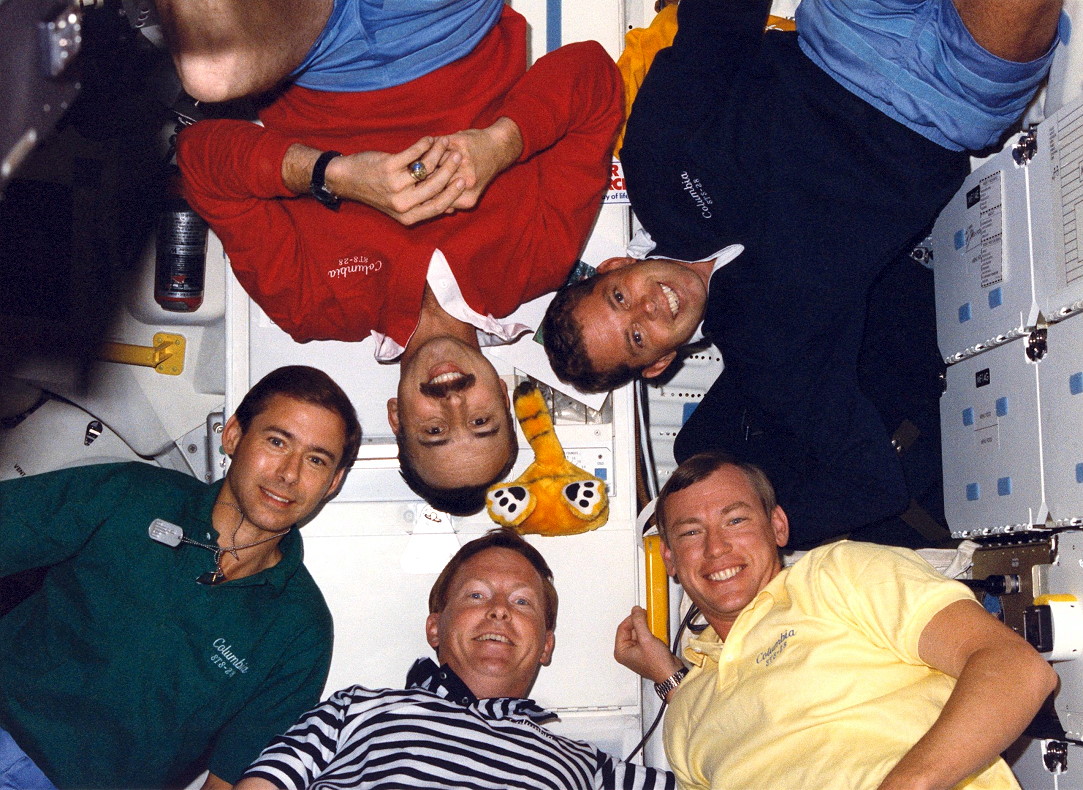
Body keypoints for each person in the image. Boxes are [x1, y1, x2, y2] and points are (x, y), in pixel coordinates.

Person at [541, 0, 1065, 545]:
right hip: (944, 104)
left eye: (619, 297)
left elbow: (720, 23)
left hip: (847, 29)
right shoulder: (774, 359)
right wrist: (767, 527)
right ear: (659, 363)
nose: (648, 307)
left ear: (616, 266)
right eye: (637, 336)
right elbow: (872, 484)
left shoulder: (655, 169)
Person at [176, 3, 622, 514]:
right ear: (503, 394)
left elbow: (198, 158)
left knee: (207, 73)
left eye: (433, 430)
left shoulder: (310, 306)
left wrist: (331, 175)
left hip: (314, 54)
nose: (453, 404)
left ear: (396, 416)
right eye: (481, 422)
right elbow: (595, 78)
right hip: (447, 25)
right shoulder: (540, 260)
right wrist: (501, 143)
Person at [0, 365, 362, 790]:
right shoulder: (132, 494)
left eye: (316, 460)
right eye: (277, 441)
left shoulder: (301, 630)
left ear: (333, 483)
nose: (289, 473)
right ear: (233, 436)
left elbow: (229, 781)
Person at [614, 451, 1057, 790]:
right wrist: (673, 681)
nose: (716, 548)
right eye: (691, 532)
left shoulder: (836, 574)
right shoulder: (685, 715)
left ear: (778, 527)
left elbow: (1015, 668)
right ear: (669, 559)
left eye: (736, 520)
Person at [231, 529, 675, 790]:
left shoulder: (588, 767)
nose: (499, 609)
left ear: (545, 646)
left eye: (522, 602)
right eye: (476, 595)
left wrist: (670, 676)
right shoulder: (356, 709)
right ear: (435, 628)